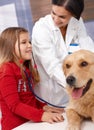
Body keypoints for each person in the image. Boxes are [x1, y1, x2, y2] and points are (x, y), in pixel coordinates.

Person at [32, 0, 94, 107]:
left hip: (79, 91)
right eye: (53, 13)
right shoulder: (41, 29)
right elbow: (52, 66)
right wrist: (74, 85)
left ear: (74, 15)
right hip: (52, 96)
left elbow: (89, 53)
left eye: (62, 17)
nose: (56, 20)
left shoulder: (77, 22)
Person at [0, 27, 64, 130]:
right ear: (10, 47)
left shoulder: (25, 69)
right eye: (24, 42)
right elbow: (15, 105)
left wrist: (43, 107)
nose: (30, 45)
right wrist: (42, 115)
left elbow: (28, 98)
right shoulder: (6, 70)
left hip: (29, 123)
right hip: (16, 126)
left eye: (29, 42)